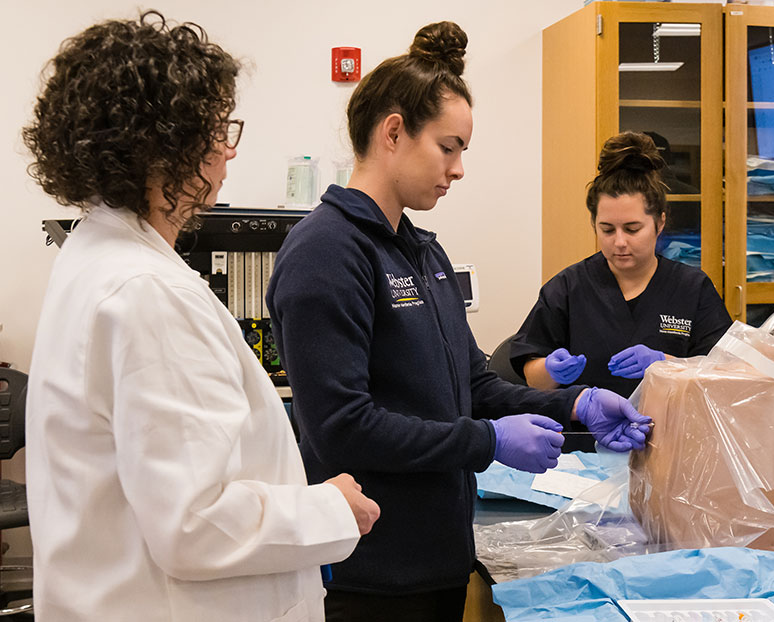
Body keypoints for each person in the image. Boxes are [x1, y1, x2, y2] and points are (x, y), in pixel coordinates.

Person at [265, 22, 651, 622]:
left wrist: (576, 404)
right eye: (449, 147)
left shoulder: (423, 251)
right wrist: (489, 442)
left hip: (439, 558)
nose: (460, 168)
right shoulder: (326, 253)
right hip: (370, 575)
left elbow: (473, 385)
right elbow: (343, 427)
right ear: (394, 132)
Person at [21, 11, 378, 622]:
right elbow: (195, 524)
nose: (228, 149)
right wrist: (331, 507)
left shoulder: (94, 255)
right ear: (164, 147)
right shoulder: (148, 292)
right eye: (216, 129)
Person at [508, 132, 732, 449]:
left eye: (632, 228)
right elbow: (533, 378)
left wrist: (665, 362)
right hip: (584, 447)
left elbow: (724, 374)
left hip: (674, 447)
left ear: (660, 222)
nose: (620, 242)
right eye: (607, 230)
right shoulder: (568, 287)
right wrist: (550, 368)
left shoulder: (692, 288)